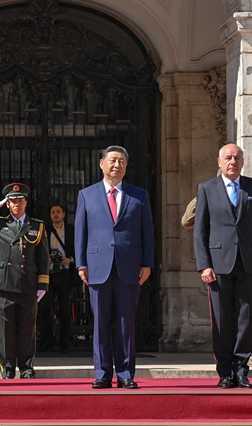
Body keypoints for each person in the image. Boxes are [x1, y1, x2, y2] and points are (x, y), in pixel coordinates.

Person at [75, 145, 155, 389]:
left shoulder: (138, 195)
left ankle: (125, 373)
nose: (116, 165)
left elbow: (147, 233)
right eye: (112, 160)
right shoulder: (86, 195)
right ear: (102, 164)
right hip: (97, 266)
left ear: (126, 166)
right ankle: (102, 373)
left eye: (121, 161)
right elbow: (81, 231)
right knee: (100, 322)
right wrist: (81, 263)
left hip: (129, 267)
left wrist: (147, 263)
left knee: (125, 323)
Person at [194, 144, 252, 389]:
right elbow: (200, 232)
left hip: (248, 264)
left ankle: (241, 370)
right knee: (222, 319)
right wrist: (204, 265)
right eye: (228, 158)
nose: (232, 162)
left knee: (245, 320)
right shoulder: (207, 188)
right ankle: (224, 371)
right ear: (219, 161)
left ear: (243, 162)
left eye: (237, 158)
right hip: (218, 265)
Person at [0, 182, 49, 379]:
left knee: (28, 329)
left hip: (28, 283)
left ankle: (27, 367)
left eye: (20, 201)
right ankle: (8, 368)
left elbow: (43, 258)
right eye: (12, 202)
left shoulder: (36, 226)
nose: (16, 205)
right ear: (7, 204)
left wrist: (43, 284)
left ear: (26, 203)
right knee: (6, 330)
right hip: (3, 282)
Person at [40, 203, 77, 353]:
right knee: (45, 308)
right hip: (48, 274)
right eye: (52, 212)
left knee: (65, 309)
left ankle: (65, 343)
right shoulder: (45, 231)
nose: (55, 214)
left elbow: (80, 248)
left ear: (63, 215)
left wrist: (71, 259)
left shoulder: (71, 231)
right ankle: (47, 341)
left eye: (58, 212)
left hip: (65, 273)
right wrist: (46, 258)